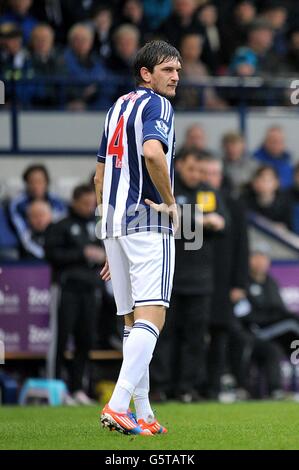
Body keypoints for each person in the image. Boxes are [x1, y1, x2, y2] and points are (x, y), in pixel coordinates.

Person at [95, 40, 181, 435]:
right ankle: (116, 403)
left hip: (114, 222)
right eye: (167, 69)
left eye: (178, 69)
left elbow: (99, 176)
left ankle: (143, 413)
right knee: (154, 315)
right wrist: (172, 202)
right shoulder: (157, 105)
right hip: (147, 219)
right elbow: (152, 153)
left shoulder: (116, 107)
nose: (176, 76)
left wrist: (108, 239)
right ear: (146, 74)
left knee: (133, 321)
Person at [150, 149, 226, 403]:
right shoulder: (167, 188)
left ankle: (186, 388)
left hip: (200, 279)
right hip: (169, 276)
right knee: (165, 334)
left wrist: (203, 220)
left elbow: (222, 222)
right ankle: (160, 387)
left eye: (200, 170)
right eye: (192, 168)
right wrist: (203, 220)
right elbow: (165, 215)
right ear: (180, 165)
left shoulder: (208, 191)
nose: (196, 174)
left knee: (194, 337)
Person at [45, 184, 106, 405]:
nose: (89, 208)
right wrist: (81, 253)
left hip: (90, 290)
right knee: (61, 338)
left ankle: (79, 388)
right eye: (86, 204)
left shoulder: (96, 226)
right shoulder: (61, 226)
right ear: (75, 201)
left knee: (85, 339)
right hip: (66, 289)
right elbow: (51, 254)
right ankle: (55, 385)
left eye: (92, 204)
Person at [9, 164, 66, 259]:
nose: (36, 186)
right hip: (29, 250)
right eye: (32, 182)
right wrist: (43, 255)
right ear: (26, 184)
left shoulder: (57, 202)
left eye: (40, 181)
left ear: (46, 182)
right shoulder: (18, 204)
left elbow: (62, 228)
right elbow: (23, 234)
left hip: (54, 246)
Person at [241, 165, 292, 230]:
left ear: (277, 182)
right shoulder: (244, 200)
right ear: (254, 182)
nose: (265, 183)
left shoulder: (285, 203)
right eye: (261, 179)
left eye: (269, 180)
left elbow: (288, 228)